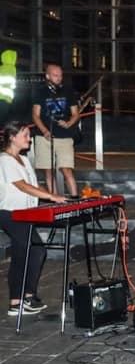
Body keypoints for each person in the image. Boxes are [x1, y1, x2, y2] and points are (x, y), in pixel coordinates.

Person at [0, 121, 67, 316]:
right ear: (12, 138)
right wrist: (50, 197)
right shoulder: (4, 160)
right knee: (24, 253)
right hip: (10, 213)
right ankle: (15, 302)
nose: (29, 139)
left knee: (36, 252)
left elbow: (34, 186)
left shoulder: (25, 159)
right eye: (25, 135)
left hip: (26, 213)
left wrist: (52, 197)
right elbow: (21, 185)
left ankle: (28, 297)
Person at [31, 63, 79, 197]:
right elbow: (35, 115)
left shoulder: (68, 91)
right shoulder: (40, 92)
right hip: (44, 137)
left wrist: (69, 123)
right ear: (47, 76)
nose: (59, 78)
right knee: (48, 171)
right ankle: (55, 200)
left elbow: (76, 114)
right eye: (55, 75)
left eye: (60, 75)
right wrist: (45, 131)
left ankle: (75, 199)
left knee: (67, 169)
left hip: (64, 136)